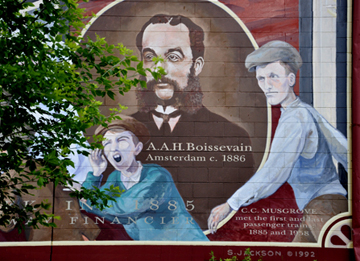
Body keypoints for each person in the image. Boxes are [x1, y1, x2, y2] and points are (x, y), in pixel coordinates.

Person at [207, 40, 348, 242]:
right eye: (261, 78)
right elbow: (345, 152)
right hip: (324, 207)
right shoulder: (305, 111)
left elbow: (274, 173)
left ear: (291, 79)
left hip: (323, 209)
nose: (267, 86)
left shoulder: (295, 119)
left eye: (273, 76)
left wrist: (231, 204)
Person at [132, 14, 255, 229]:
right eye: (150, 57)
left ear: (197, 66)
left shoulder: (232, 136)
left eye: (174, 57)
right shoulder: (118, 135)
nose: (160, 69)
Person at [81, 115, 208, 241]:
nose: (114, 148)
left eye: (122, 140)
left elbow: (123, 208)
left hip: (187, 246)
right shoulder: (115, 178)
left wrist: (91, 200)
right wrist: (96, 174)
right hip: (154, 250)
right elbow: (88, 205)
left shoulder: (157, 176)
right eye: (107, 143)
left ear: (137, 148)